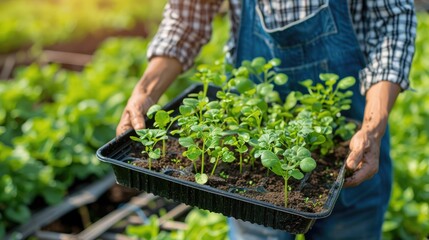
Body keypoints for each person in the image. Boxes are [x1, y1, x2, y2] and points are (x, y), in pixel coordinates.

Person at [116, 0, 416, 239]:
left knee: (349, 226)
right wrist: (146, 91)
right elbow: (187, 16)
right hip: (253, 130)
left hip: (351, 133)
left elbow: (391, 20)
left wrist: (372, 127)